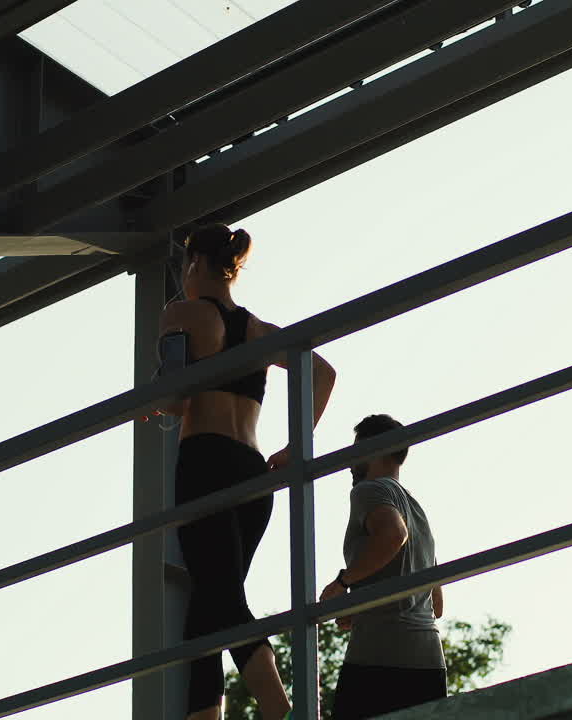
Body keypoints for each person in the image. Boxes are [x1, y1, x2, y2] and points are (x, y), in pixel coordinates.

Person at [157, 223, 338, 720]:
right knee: (209, 603)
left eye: (184, 265)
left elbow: (173, 399)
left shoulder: (182, 314)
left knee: (222, 598)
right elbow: (322, 371)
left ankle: (290, 713)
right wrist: (298, 442)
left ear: (195, 264)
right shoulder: (260, 330)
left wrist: (151, 404)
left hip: (205, 463)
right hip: (253, 472)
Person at [319, 414, 446, 720]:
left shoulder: (370, 490)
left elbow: (393, 535)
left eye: (355, 450)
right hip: (428, 661)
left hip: (378, 655)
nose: (351, 462)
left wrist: (343, 582)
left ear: (374, 449)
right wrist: (362, 605)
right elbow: (437, 604)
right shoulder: (419, 512)